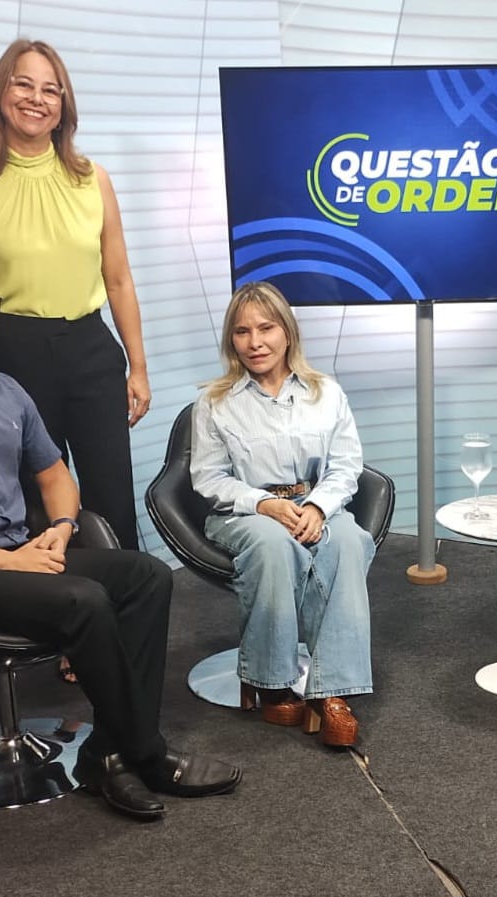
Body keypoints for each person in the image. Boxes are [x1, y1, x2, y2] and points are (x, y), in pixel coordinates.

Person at [0, 247, 241, 821]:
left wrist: (61, 529)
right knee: (84, 600)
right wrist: (5, 562)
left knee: (146, 576)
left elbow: (56, 476)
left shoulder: (7, 391)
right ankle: (148, 754)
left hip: (21, 556)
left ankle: (106, 754)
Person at [0, 38, 148, 556]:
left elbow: (120, 279)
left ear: (64, 106)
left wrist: (138, 367)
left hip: (91, 347)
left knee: (111, 496)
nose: (37, 98)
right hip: (14, 354)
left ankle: (126, 616)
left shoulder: (92, 180)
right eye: (24, 84)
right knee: (39, 499)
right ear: (1, 95)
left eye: (50, 89)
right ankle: (64, 622)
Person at [190, 282, 376, 748]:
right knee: (274, 544)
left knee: (349, 541)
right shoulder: (214, 402)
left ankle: (332, 693)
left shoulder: (326, 392)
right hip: (244, 512)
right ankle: (271, 682)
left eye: (266, 328)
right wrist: (266, 504)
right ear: (231, 341)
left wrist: (317, 505)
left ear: (287, 332)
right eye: (241, 332)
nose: (255, 342)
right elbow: (208, 479)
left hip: (315, 504)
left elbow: (347, 465)